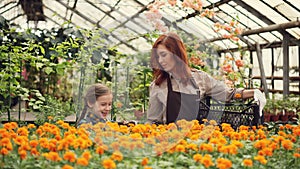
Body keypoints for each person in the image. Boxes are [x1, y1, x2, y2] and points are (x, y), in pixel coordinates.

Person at [146, 32, 266, 124]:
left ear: (176, 54)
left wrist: (254, 92)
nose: (160, 61)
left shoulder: (200, 79)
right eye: (158, 57)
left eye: (163, 55)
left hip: (195, 140)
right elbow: (152, 121)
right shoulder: (158, 85)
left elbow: (228, 94)